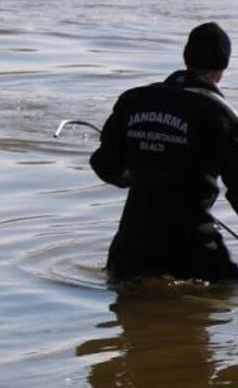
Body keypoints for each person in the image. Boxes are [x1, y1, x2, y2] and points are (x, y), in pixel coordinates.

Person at [90, 22, 238, 283]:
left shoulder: (134, 100)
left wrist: (138, 177)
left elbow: (103, 164)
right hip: (194, 252)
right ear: (222, 69)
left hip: (130, 249)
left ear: (185, 56)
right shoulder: (222, 116)